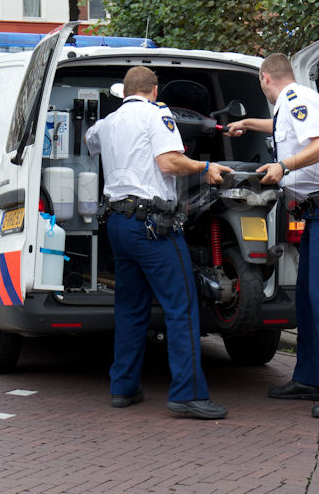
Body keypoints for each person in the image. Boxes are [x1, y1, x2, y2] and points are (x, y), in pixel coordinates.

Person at [85, 66, 232, 420]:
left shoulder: (107, 123)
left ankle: (123, 387)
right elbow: (168, 163)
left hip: (118, 223)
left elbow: (90, 141)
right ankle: (188, 394)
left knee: (130, 308)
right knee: (181, 306)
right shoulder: (158, 114)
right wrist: (203, 167)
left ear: (124, 93)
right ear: (154, 90)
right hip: (153, 225)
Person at [226, 53, 319, 419]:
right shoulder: (287, 105)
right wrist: (247, 124)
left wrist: (283, 165)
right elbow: (280, 129)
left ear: (265, 79)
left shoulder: (298, 99)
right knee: (306, 297)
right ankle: (310, 378)